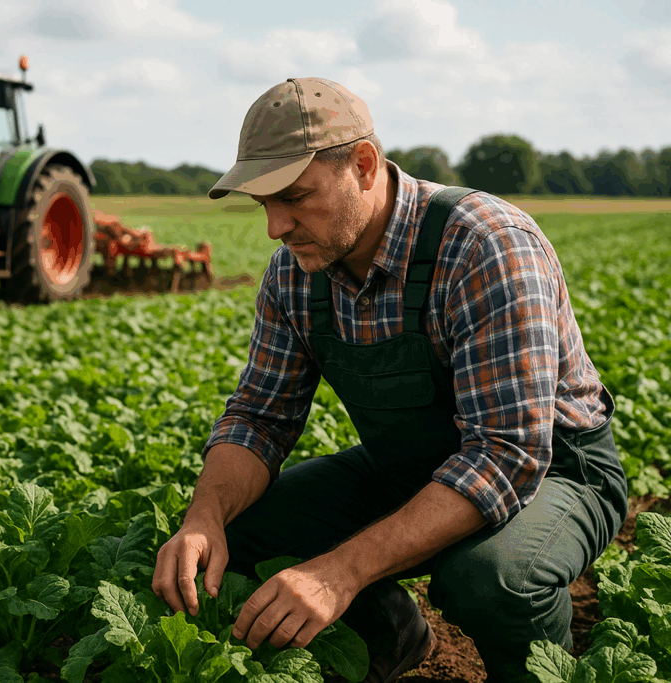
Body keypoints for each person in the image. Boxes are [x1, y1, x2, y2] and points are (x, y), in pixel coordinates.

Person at [150, 77, 628, 683]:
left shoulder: (487, 246)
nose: (275, 226)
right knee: (241, 536)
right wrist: (203, 518)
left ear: (365, 165)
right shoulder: (296, 272)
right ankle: (393, 638)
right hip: (411, 462)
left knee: (492, 579)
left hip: (553, 469)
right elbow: (260, 417)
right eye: (262, 204)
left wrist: (340, 572)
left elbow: (507, 455)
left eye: (294, 197)